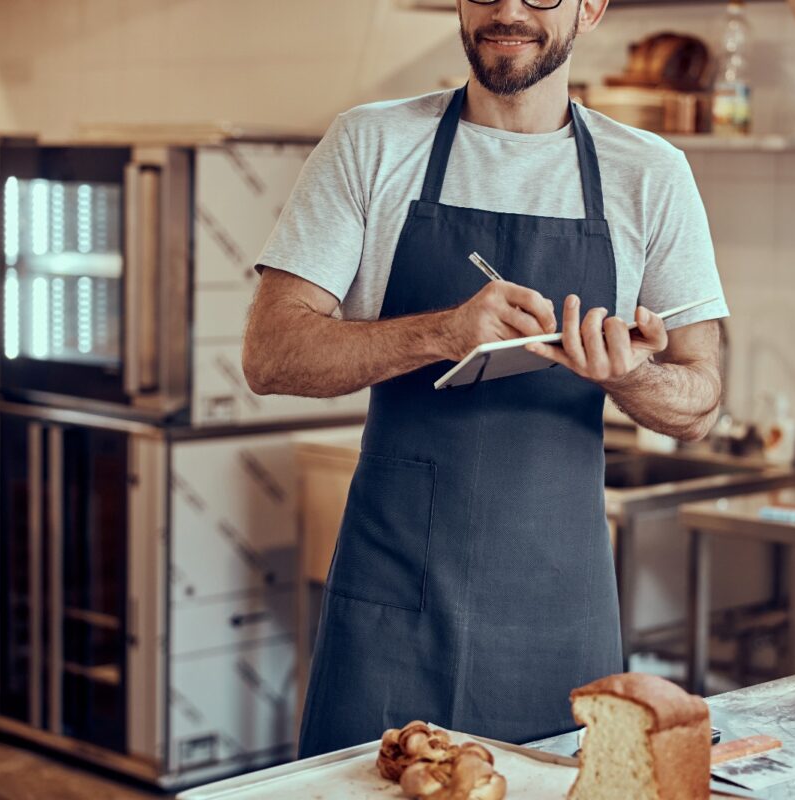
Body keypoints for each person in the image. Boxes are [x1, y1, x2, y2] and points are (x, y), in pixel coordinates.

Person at [241, 0, 729, 757]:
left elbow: (700, 400)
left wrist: (629, 377)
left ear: (590, 7)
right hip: (391, 604)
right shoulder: (372, 143)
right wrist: (443, 331)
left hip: (559, 613)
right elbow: (271, 354)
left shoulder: (650, 174)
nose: (508, 9)